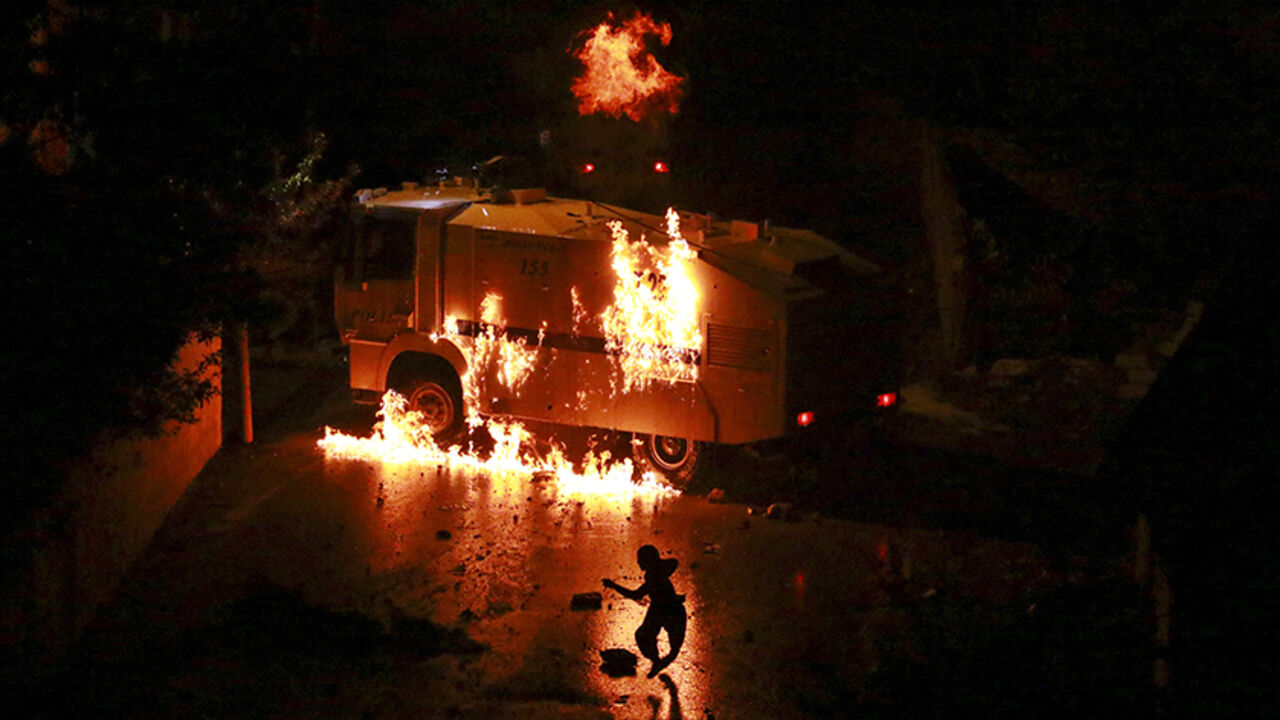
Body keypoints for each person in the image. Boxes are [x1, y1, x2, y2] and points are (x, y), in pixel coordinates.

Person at [603, 544, 687, 678]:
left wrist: (613, 586)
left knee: (674, 648)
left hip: (672, 609)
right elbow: (673, 563)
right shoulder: (655, 573)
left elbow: (636, 595)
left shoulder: (654, 577)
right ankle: (656, 661)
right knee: (643, 635)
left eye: (640, 559)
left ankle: (659, 663)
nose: (638, 562)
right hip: (658, 608)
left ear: (648, 561)